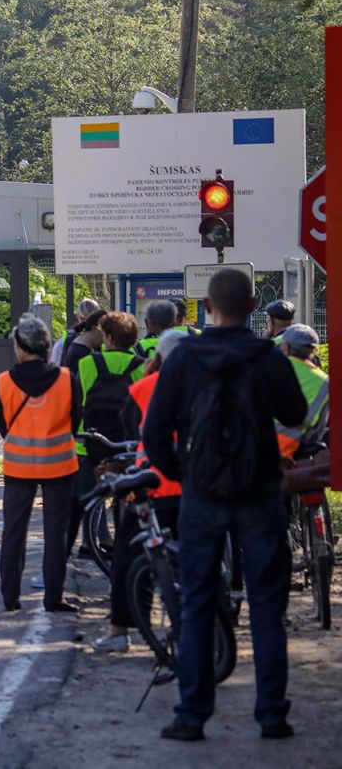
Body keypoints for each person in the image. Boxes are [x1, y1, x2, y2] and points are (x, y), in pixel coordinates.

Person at [144, 269, 305, 742]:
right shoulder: (267, 356)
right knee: (266, 605)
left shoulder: (184, 358)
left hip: (203, 495)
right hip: (259, 493)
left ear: (208, 307)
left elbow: (154, 432)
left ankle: (192, 715)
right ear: (254, 305)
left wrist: (184, 474)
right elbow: (295, 414)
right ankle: (272, 715)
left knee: (196, 603)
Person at [92, 328, 187, 653]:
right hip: (198, 486)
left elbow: (131, 429)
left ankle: (121, 630)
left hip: (153, 483)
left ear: (158, 357)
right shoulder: (209, 384)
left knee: (130, 553)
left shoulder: (145, 387)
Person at [0, 316, 82, 614]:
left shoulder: (4, 381)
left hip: (18, 469)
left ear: (19, 348)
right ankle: (53, 597)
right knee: (56, 533)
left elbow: (3, 426)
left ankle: (9, 597)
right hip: (60, 467)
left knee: (13, 532)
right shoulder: (68, 379)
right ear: (45, 346)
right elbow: (76, 421)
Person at [68, 311, 145, 558]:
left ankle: (83, 547)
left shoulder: (88, 363)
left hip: (90, 445)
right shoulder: (142, 367)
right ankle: (124, 550)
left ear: (109, 338)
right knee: (126, 502)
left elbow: (76, 403)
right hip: (128, 446)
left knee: (84, 501)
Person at [275, 324, 328, 460]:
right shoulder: (325, 383)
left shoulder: (272, 369)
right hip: (292, 456)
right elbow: (318, 429)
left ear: (286, 347)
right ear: (315, 350)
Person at [51, 298, 101, 365]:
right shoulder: (63, 341)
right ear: (77, 316)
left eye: (91, 321)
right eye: (82, 319)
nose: (86, 324)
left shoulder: (104, 341)